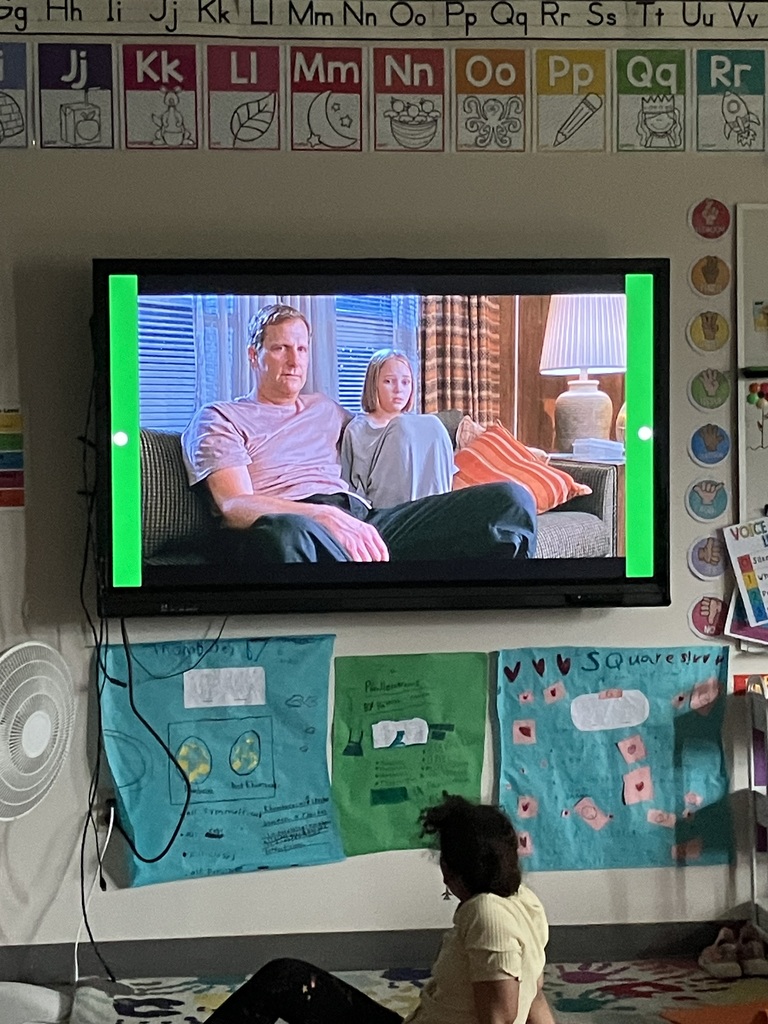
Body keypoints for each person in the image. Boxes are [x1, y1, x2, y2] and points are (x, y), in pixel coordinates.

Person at [181, 304, 536, 565]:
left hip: (366, 520)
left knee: (510, 500)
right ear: (253, 356)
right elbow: (234, 505)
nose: (294, 360)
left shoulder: (325, 408)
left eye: (301, 349)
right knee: (284, 537)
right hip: (300, 526)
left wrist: (475, 441)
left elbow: (383, 429)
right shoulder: (220, 417)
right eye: (280, 348)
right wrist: (319, 516)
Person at [205, 794, 555, 1024]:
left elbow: (501, 1019)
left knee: (284, 980)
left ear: (451, 868)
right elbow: (535, 1000)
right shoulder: (525, 901)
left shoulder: (486, 914)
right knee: (291, 978)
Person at [341, 348, 455, 508]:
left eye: (405, 382)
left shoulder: (426, 427)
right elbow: (349, 486)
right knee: (402, 426)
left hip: (430, 508)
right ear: (374, 384)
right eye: (389, 381)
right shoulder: (358, 429)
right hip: (384, 510)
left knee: (433, 424)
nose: (398, 389)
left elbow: (444, 474)